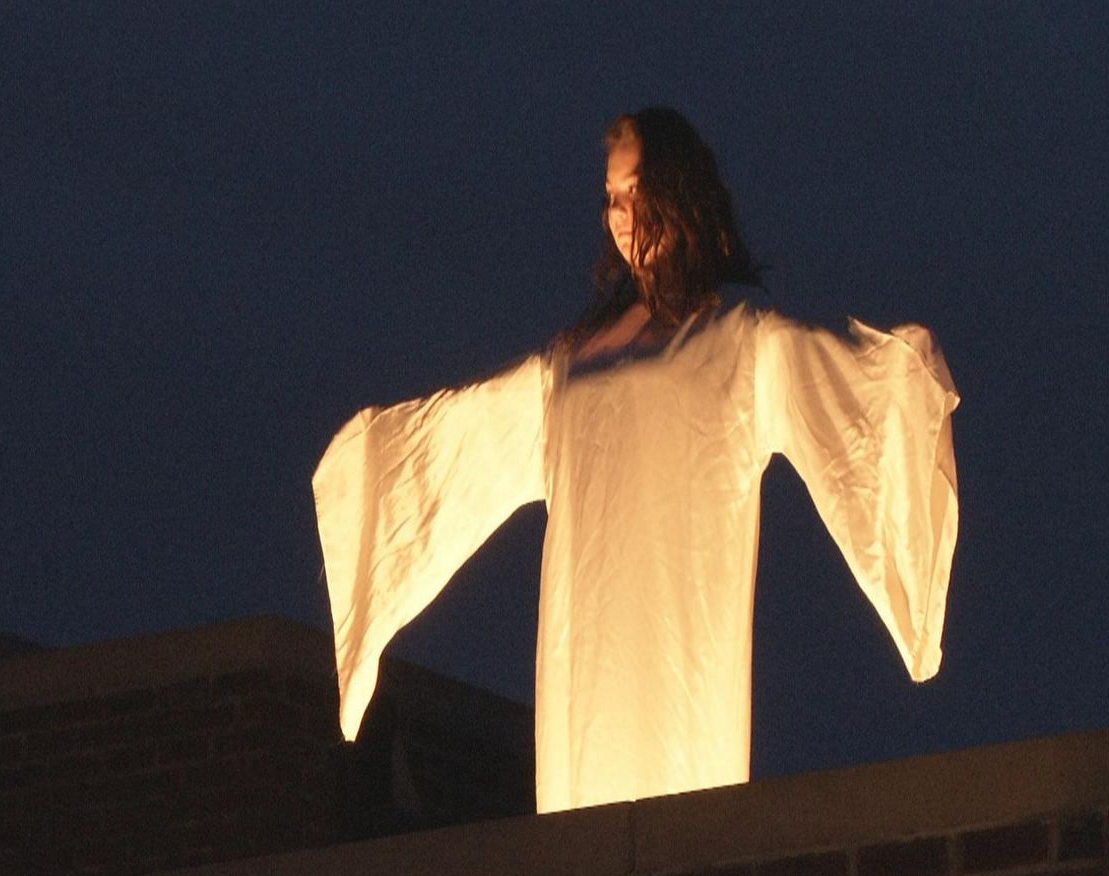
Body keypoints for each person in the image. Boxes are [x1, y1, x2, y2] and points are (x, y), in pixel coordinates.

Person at [313, 107, 960, 813]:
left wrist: (901, 380)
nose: (618, 215)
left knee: (675, 815)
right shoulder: (569, 364)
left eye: (634, 193)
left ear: (677, 194)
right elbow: (462, 439)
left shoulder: (739, 343)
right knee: (584, 818)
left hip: (681, 640)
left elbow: (845, 403)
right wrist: (375, 458)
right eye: (611, 198)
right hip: (585, 645)